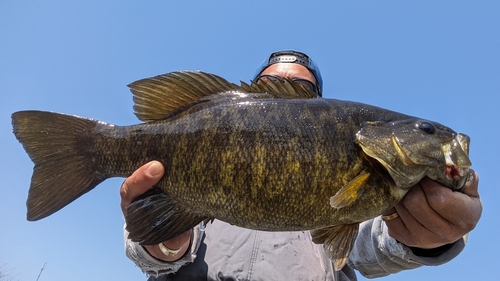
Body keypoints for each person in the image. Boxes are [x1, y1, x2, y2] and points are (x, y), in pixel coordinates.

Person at [121, 50, 482, 280]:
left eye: (301, 91)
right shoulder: (199, 191)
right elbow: (156, 258)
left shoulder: (371, 193)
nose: (284, 90)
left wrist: (431, 241)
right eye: (272, 84)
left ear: (318, 105)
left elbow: (376, 248)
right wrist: (164, 244)